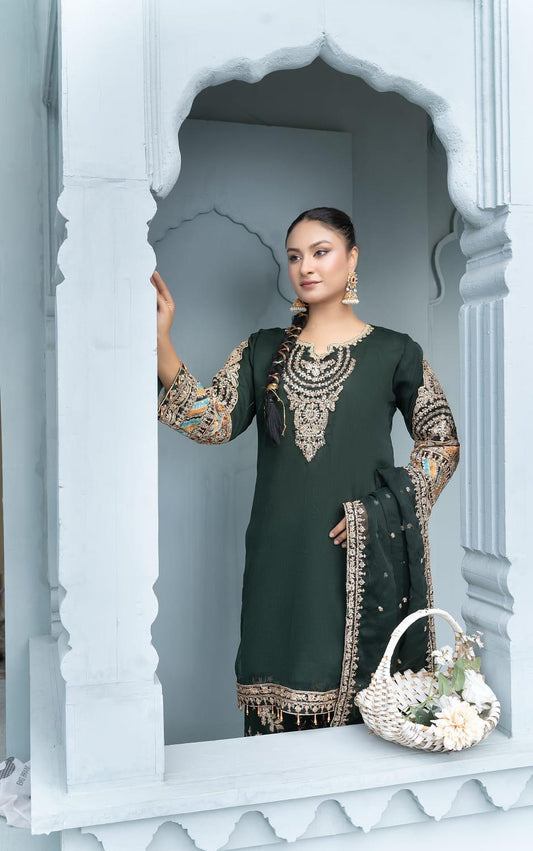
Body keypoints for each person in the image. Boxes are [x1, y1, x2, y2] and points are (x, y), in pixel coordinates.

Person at [152, 207, 460, 737]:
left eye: (321, 252)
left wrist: (381, 511)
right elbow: (212, 423)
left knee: (358, 703)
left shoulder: (395, 351)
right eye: (295, 257)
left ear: (352, 258)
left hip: (355, 556)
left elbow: (442, 441)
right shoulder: (261, 349)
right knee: (276, 692)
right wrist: (162, 341)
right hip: (277, 555)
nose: (306, 267)